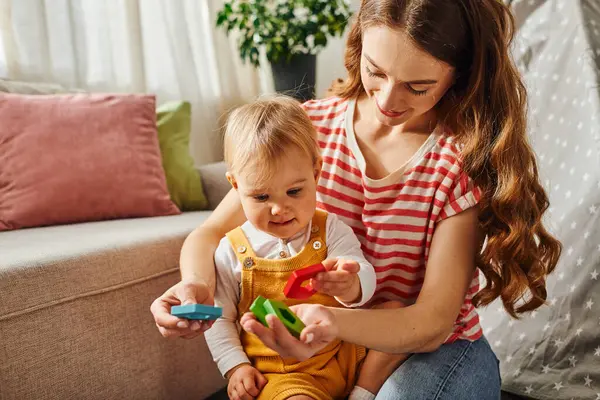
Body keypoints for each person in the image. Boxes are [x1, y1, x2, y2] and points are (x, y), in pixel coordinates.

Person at [150, 0, 562, 398]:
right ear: (360, 43)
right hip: (330, 353)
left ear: (461, 73)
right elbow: (209, 235)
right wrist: (196, 286)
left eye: (418, 86)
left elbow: (433, 322)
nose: (387, 101)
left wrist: (331, 320)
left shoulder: (458, 164)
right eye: (375, 71)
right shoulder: (306, 130)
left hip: (432, 353)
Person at [203, 95, 406, 400]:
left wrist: (351, 284)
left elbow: (363, 274)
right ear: (235, 186)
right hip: (284, 374)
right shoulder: (232, 250)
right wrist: (236, 368)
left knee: (395, 316)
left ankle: (362, 393)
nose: (279, 209)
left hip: (342, 352)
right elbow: (218, 317)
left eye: (294, 191)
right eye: (261, 197)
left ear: (315, 174)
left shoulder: (330, 229)